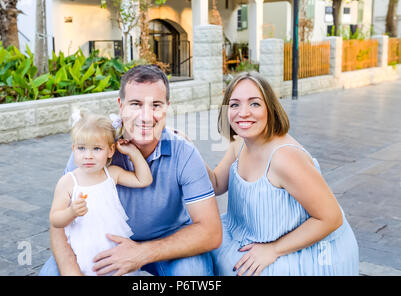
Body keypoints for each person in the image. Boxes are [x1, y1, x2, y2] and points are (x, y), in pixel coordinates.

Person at [39, 65, 222, 276]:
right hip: (102, 244)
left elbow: (210, 231)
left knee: (192, 273)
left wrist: (141, 253)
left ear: (167, 108)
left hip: (169, 243)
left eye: (156, 105)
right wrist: (72, 270)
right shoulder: (92, 150)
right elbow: (59, 223)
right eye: (135, 104)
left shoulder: (184, 153)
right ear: (121, 106)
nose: (145, 116)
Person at [207, 71, 359, 276]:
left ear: (270, 108)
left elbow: (331, 218)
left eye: (254, 103)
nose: (243, 113)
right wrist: (186, 150)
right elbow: (216, 183)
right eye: (235, 104)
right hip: (251, 235)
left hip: (305, 250)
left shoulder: (285, 158)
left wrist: (273, 249)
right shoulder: (239, 142)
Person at [49, 109, 153, 276]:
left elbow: (144, 180)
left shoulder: (111, 174)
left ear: (110, 151)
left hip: (114, 250)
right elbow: (55, 219)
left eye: (97, 149)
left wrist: (133, 153)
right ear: (74, 149)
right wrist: (71, 212)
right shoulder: (68, 182)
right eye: (82, 148)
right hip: (84, 251)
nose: (88, 156)